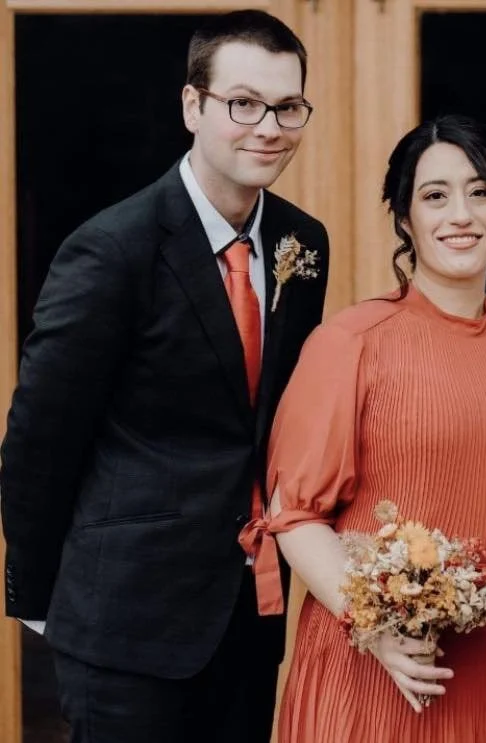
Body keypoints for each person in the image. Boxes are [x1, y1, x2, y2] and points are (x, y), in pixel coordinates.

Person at [0, 10, 328, 743]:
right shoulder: (112, 249)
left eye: (288, 107)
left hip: (246, 618)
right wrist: (40, 596)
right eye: (243, 103)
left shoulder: (302, 243)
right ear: (193, 106)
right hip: (123, 624)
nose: (267, 127)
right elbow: (39, 437)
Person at [261, 114, 486, 742]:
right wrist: (375, 626)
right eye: (435, 196)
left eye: (479, 192)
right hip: (380, 670)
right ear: (404, 220)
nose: (461, 213)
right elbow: (294, 514)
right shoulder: (350, 341)